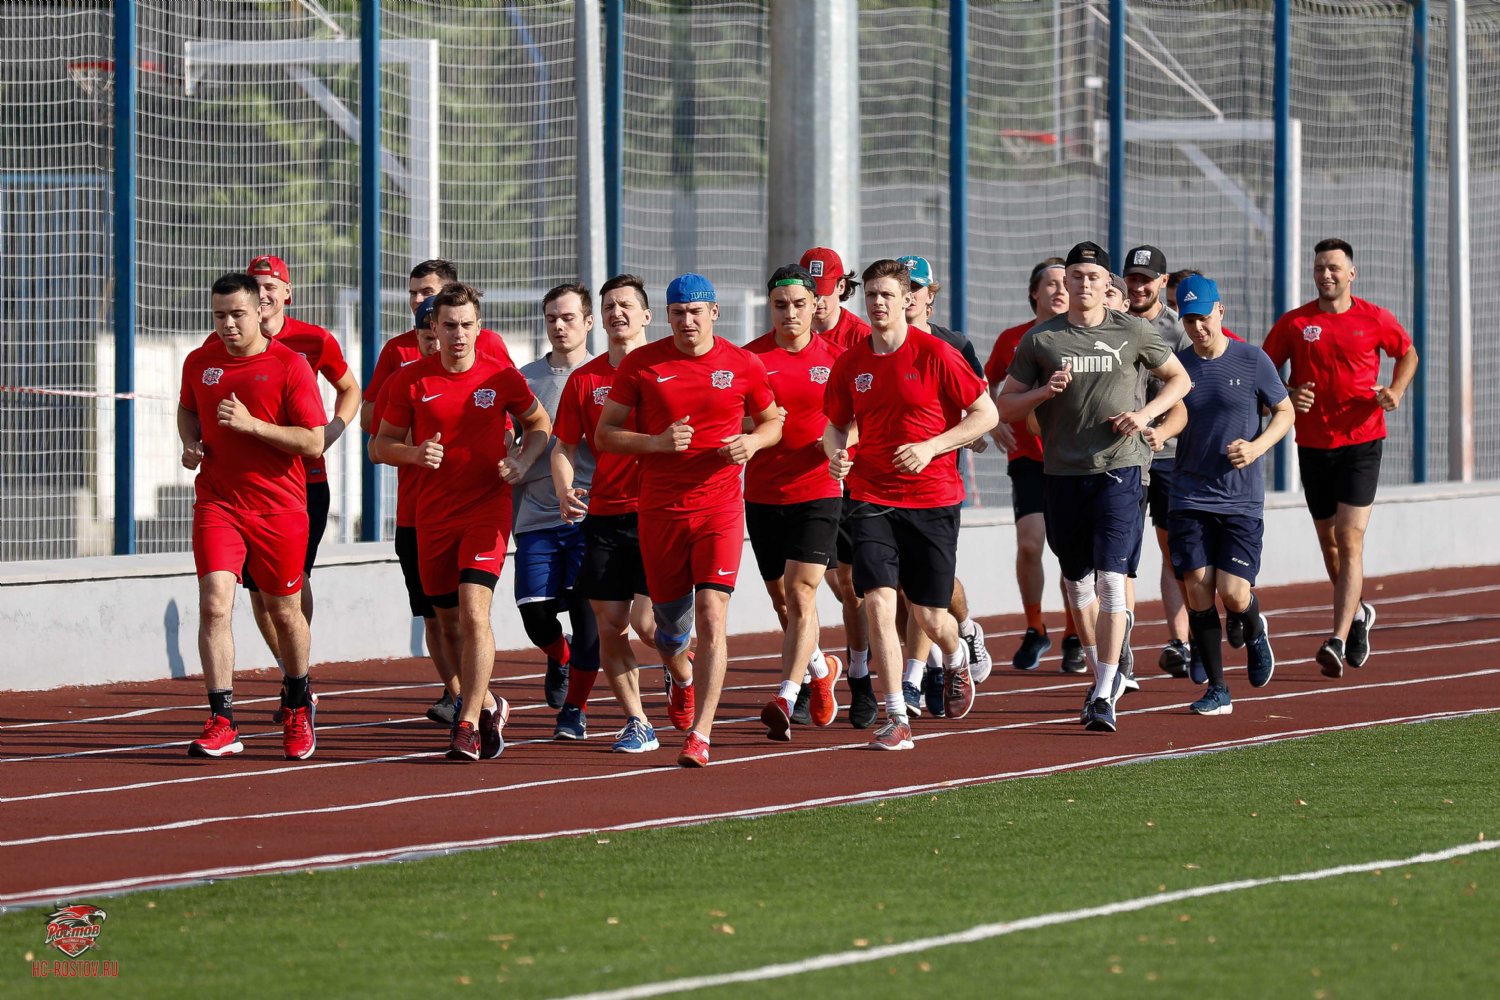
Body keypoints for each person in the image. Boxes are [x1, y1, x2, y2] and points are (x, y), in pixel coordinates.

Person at [995, 241, 1191, 734]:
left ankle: (1105, 690)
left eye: (1090, 277)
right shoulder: (1041, 340)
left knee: (1109, 581)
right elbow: (1005, 405)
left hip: (1120, 470)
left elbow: (1180, 381)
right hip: (1062, 473)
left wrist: (1146, 415)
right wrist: (1043, 392)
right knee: (1076, 581)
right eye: (1074, 277)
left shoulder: (1134, 331)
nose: (1081, 285)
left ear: (1110, 286)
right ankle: (1100, 667)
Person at [596, 273, 783, 767]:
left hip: (720, 509)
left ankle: (700, 733)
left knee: (713, 617)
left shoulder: (742, 364)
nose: (688, 321)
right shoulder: (642, 364)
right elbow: (606, 433)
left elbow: (774, 420)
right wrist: (655, 443)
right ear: (667, 316)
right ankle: (679, 672)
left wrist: (753, 443)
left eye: (696, 312)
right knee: (669, 629)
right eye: (679, 312)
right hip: (658, 512)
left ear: (714, 314)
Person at [823, 258, 998, 752]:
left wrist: (931, 447)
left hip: (933, 498)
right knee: (876, 597)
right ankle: (896, 713)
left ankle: (955, 653)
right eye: (871, 295)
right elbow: (835, 423)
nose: (877, 303)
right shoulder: (851, 362)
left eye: (887, 295)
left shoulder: (937, 354)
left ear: (907, 300)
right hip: (871, 495)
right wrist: (836, 455)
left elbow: (986, 414)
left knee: (928, 616)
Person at [371, 284, 551, 761]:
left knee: (475, 613)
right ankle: (490, 704)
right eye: (448, 325)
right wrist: (413, 452)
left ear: (479, 326)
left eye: (467, 325)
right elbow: (379, 445)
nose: (458, 334)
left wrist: (523, 459)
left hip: (486, 510)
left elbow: (540, 425)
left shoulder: (502, 377)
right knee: (446, 622)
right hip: (431, 515)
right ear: (433, 327)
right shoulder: (409, 380)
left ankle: (468, 722)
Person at [178, 273, 326, 759]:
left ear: (260, 311)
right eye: (219, 315)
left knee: (284, 612)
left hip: (279, 506)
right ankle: (222, 719)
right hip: (218, 502)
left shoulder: (289, 365)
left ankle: (299, 703)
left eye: (237, 314)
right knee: (215, 603)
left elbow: (312, 441)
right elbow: (187, 410)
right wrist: (190, 442)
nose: (227, 325)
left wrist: (252, 425)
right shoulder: (200, 362)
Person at [1262, 238, 1418, 677]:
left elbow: (1407, 353)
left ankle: (1337, 637)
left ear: (1351, 274)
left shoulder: (1374, 318)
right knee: (1330, 546)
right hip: (1313, 446)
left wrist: (1396, 391)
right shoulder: (1295, 324)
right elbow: (1263, 373)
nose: (1325, 275)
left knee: (1350, 538)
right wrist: (1289, 395)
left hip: (1362, 441)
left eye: (1333, 268)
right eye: (1319, 269)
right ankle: (1361, 613)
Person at [552, 274, 692, 754]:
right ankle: (638, 722)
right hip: (606, 515)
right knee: (608, 622)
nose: (617, 313)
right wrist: (565, 488)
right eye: (609, 306)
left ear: (647, 316)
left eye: (626, 305)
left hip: (661, 511)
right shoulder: (585, 379)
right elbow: (563, 446)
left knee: (650, 627)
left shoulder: (671, 370)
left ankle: (683, 675)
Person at [1159, 275, 1294, 714]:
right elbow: (1171, 411)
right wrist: (1156, 432)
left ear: (1221, 312)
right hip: (1189, 495)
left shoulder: (1252, 360)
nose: (1197, 327)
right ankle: (1218, 689)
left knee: (1233, 593)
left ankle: (1254, 630)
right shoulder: (1177, 367)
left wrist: (1256, 446)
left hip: (1239, 499)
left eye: (1203, 318)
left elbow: (1284, 410)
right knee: (1198, 590)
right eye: (1188, 320)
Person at [242, 255, 360, 721]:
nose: (264, 292)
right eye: (256, 285)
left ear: (287, 293)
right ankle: (292, 674)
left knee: (290, 587)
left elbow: (351, 389)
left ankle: (298, 679)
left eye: (272, 285)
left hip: (304, 484)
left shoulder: (313, 339)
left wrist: (331, 431)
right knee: (255, 591)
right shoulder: (229, 340)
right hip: (247, 487)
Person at [744, 264, 847, 740]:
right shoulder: (748, 360)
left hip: (819, 489)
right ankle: (821, 669)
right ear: (771, 307)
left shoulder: (839, 359)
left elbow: (855, 420)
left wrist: (843, 451)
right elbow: (731, 422)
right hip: (764, 492)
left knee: (803, 591)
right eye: (781, 305)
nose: (791, 313)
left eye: (800, 304)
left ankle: (786, 693)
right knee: (782, 599)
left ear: (816, 306)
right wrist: (753, 428)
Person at [360, 260, 463, 726]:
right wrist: (407, 428)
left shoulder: (483, 347)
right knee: (433, 614)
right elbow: (372, 431)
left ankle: (475, 695)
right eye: (414, 294)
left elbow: (514, 412)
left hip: (469, 504)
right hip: (414, 508)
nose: (420, 302)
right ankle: (458, 692)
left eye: (429, 293)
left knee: (469, 612)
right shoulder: (398, 359)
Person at [895, 254, 995, 711]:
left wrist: (971, 438)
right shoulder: (873, 344)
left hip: (936, 478)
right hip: (880, 481)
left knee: (927, 585)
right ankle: (923, 672)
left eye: (915, 286)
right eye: (901, 285)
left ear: (929, 295)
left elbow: (980, 404)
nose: (908, 293)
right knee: (894, 588)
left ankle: (963, 630)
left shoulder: (954, 345)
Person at [983, 257, 1083, 672]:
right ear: (1034, 293)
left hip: (1074, 458)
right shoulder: (1012, 339)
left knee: (1070, 553)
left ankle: (1075, 634)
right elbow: (985, 384)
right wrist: (993, 423)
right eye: (1051, 284)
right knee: (1029, 543)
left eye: (1066, 282)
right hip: (1028, 457)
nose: (1060, 290)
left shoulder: (1082, 335)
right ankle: (1035, 627)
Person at [513, 283, 602, 737]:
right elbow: (505, 439)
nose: (560, 326)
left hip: (590, 519)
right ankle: (560, 657)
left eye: (568, 317)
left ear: (589, 322)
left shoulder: (606, 376)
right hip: (535, 517)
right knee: (534, 615)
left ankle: (575, 709)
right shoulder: (524, 378)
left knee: (590, 619)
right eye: (552, 318)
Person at [799, 245, 873, 725]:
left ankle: (862, 676)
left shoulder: (861, 338)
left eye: (824, 292)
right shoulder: (789, 331)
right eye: (810, 293)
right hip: (803, 478)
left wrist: (846, 448)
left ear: (841, 288)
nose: (817, 302)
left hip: (859, 474)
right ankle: (812, 673)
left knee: (852, 583)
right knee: (798, 587)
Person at [1123, 245, 1195, 680]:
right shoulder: (1113, 324)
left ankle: (1184, 638)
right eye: (1132, 278)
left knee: (1175, 553)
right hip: (1123, 459)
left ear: (1163, 283)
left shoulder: (1180, 332)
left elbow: (1192, 393)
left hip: (1168, 457)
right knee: (1120, 558)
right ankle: (1123, 651)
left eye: (1146, 278)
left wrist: (1163, 429)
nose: (1138, 286)